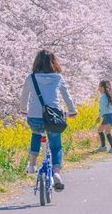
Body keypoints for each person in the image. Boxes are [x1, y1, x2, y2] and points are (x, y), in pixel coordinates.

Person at [19, 49, 77, 191]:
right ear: (53, 62)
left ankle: (32, 165)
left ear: (36, 62)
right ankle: (56, 173)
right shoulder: (58, 78)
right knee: (56, 145)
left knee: (36, 134)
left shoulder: (30, 78)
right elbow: (66, 96)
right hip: (53, 118)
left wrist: (23, 109)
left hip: (34, 117)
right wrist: (72, 111)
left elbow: (24, 96)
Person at [95, 80, 112, 153]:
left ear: (103, 87)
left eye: (99, 86)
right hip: (108, 115)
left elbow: (103, 109)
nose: (98, 88)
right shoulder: (106, 96)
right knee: (100, 130)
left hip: (108, 116)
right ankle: (103, 147)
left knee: (107, 132)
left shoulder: (104, 97)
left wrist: (99, 117)